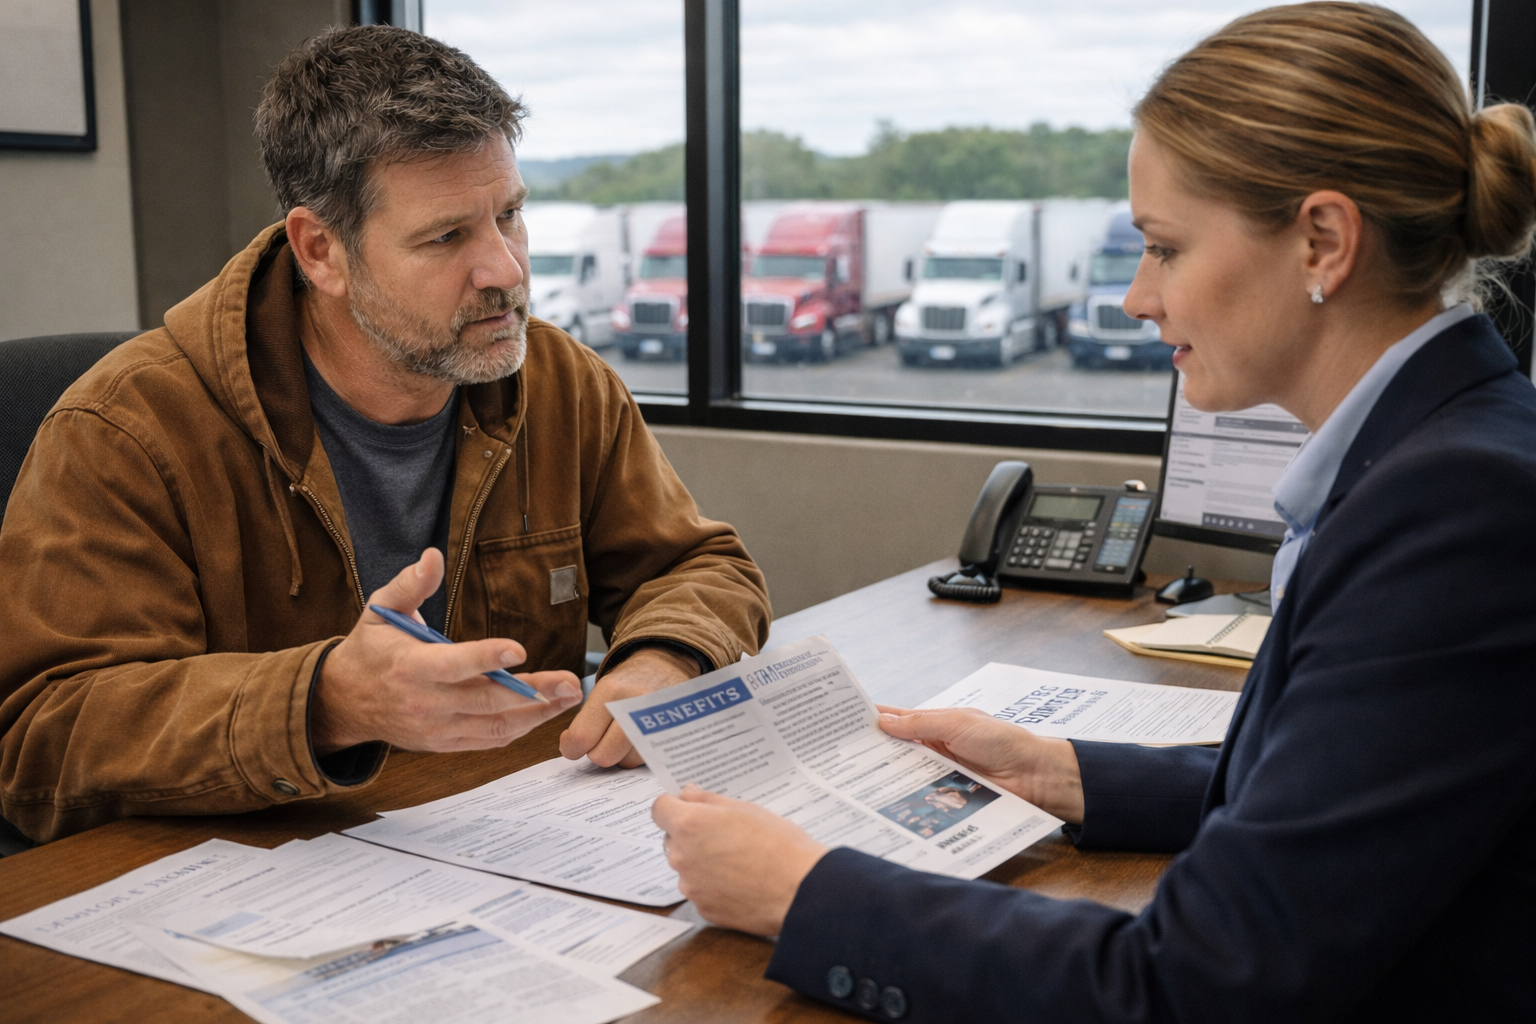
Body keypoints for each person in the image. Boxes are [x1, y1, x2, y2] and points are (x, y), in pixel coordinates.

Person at [652, 4, 1536, 1020]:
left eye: (1163, 247)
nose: (1134, 299)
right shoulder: (1447, 453)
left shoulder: (1458, 511)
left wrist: (806, 894)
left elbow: (1193, 983)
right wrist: (1058, 771)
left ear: (1324, 241)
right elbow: (1338, 797)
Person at [0, 26, 769, 844]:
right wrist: (325, 701)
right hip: (251, 879)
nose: (505, 269)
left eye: (509, 215)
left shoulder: (558, 381)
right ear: (320, 251)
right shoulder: (128, 428)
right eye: (447, 237)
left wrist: (667, 656)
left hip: (499, 841)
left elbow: (698, 566)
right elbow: (43, 737)